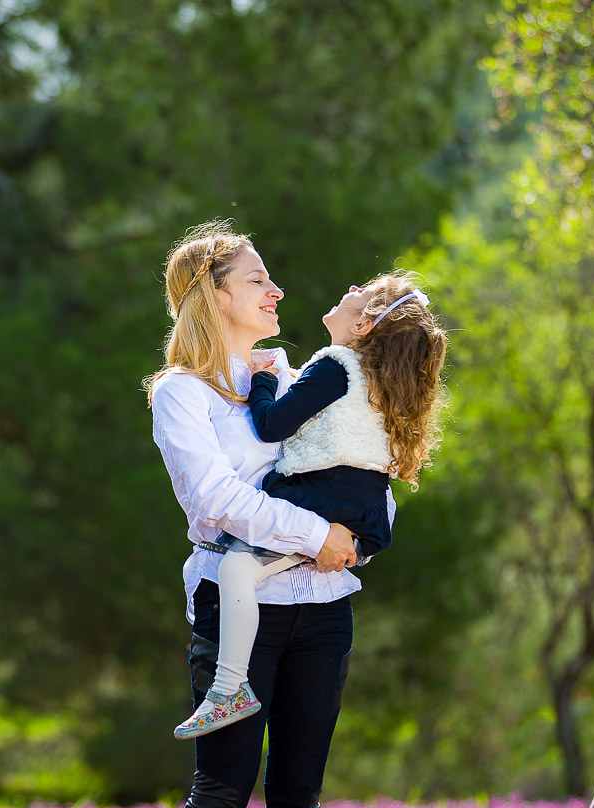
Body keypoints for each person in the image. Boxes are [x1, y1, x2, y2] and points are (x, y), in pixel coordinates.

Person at [146, 220, 432, 808]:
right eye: (257, 280)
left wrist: (358, 539)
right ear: (212, 297)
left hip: (324, 611)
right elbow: (214, 497)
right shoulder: (182, 393)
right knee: (221, 790)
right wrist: (318, 534)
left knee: (299, 795)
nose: (277, 291)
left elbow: (363, 469)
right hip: (237, 602)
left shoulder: (293, 376)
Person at [172, 272, 447, 742]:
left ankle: (229, 688)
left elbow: (272, 425)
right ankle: (230, 688)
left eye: (364, 294)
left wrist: (261, 381)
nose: (352, 287)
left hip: (317, 503)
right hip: (362, 514)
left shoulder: (335, 365)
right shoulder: (379, 385)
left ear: (362, 327)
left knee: (237, 570)